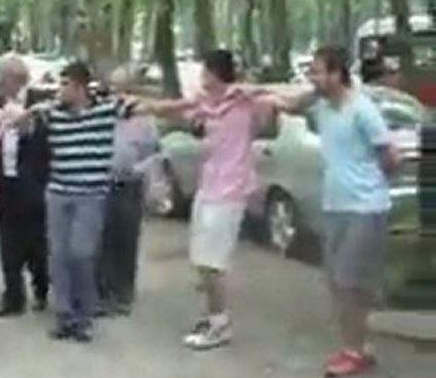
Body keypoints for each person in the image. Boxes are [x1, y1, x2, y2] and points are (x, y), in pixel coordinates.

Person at [254, 46, 399, 378]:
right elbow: (292, 103)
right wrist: (259, 96)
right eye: (312, 72)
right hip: (336, 205)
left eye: (319, 71)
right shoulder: (322, 104)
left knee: (348, 282)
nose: (313, 78)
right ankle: (360, 343)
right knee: (338, 280)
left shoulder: (361, 110)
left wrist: (372, 184)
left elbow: (390, 155)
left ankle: (354, 351)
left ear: (337, 74)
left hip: (364, 206)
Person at [133, 49, 274, 351]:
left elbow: (283, 100)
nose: (200, 77)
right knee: (201, 258)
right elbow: (176, 107)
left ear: (215, 72)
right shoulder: (206, 102)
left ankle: (220, 323)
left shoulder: (245, 101)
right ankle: (212, 315)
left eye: (204, 71)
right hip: (208, 187)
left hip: (230, 190)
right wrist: (144, 106)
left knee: (213, 262)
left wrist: (255, 89)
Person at [39, 61, 124, 343]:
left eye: (64, 85)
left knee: (81, 252)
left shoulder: (106, 110)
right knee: (59, 255)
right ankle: (65, 316)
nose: (59, 91)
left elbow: (147, 107)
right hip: (59, 192)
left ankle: (85, 313)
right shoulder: (52, 114)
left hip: (90, 193)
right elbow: (20, 120)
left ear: (79, 87)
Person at [97, 66, 159, 317]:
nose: (117, 94)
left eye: (122, 88)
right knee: (103, 240)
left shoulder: (144, 120)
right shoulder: (103, 114)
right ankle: (102, 293)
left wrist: (140, 170)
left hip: (130, 184)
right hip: (103, 182)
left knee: (126, 239)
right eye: (113, 88)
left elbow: (154, 153)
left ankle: (123, 294)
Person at [0, 55, 49, 316]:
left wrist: (28, 126)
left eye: (7, 80)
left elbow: (47, 139)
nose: (3, 85)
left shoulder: (39, 103)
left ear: (20, 80)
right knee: (7, 243)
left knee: (37, 243)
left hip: (34, 183)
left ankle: (42, 289)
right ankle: (13, 297)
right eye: (2, 80)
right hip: (6, 182)